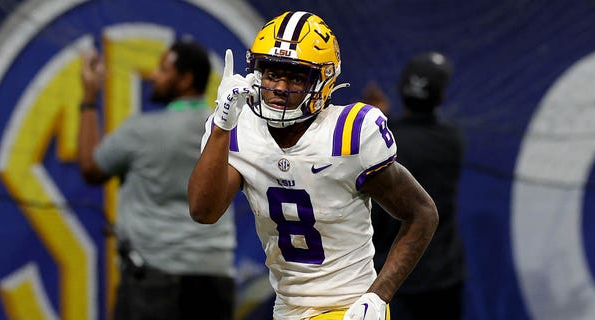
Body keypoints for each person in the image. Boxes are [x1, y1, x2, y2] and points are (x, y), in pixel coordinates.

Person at [188, 11, 438, 320]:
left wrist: (377, 296)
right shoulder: (240, 130)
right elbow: (203, 211)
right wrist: (221, 127)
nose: (280, 86)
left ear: (323, 81)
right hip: (288, 310)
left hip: (348, 307)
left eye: (294, 77)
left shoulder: (348, 134)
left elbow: (421, 214)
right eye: (271, 73)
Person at [77, 40, 236, 320]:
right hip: (215, 279)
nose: (154, 76)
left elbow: (91, 168)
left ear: (186, 79)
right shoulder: (227, 132)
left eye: (164, 69)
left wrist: (89, 98)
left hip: (153, 284)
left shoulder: (141, 131)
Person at [367, 52, 466, 320]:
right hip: (441, 277)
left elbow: (393, 142)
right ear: (441, 97)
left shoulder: (378, 142)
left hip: (390, 277)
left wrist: (373, 121)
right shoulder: (451, 141)